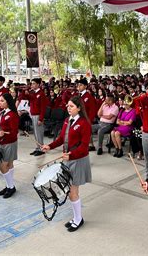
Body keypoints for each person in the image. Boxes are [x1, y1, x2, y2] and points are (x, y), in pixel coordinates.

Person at [41, 95, 92, 232]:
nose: (68, 108)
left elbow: (84, 146)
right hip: (68, 158)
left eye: (72, 106)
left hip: (78, 160)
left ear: (79, 108)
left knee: (73, 192)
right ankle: (77, 217)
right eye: (68, 106)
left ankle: (78, 219)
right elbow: (61, 139)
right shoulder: (66, 120)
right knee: (71, 191)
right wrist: (50, 146)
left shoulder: (84, 124)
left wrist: (71, 155)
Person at [20, 78, 47, 156]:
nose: (32, 85)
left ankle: (41, 149)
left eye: (34, 83)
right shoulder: (33, 93)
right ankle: (38, 147)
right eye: (31, 84)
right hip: (33, 115)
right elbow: (24, 97)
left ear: (38, 84)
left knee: (39, 133)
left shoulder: (41, 94)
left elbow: (43, 108)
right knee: (35, 133)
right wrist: (24, 90)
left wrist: (41, 119)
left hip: (38, 115)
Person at [76, 78, 97, 151]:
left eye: (81, 85)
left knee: (87, 132)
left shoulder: (88, 96)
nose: (79, 86)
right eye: (78, 85)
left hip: (86, 117)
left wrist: (89, 120)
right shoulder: (78, 95)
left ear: (85, 86)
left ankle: (91, 145)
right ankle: (85, 144)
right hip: (79, 116)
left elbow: (92, 110)